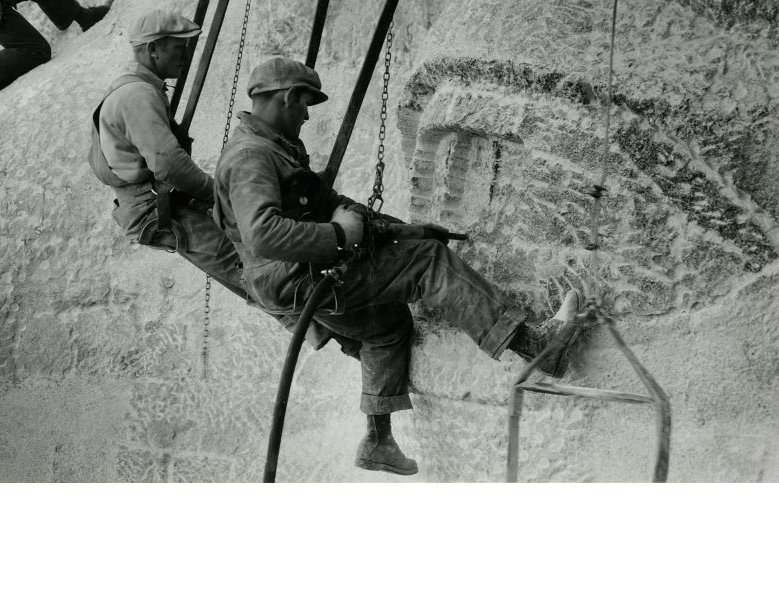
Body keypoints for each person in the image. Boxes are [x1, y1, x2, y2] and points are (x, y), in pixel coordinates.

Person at [213, 56, 581, 477]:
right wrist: (340, 238)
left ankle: (378, 440)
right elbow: (264, 234)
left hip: (294, 278)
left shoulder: (272, 148)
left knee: (386, 326)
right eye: (304, 105)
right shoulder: (251, 156)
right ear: (288, 96)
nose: (306, 114)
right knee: (427, 264)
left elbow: (333, 205)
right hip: (298, 277)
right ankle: (535, 345)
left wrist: (407, 232)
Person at [91, 9, 355, 353]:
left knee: (249, 257)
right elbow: (168, 164)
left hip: (159, 199)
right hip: (155, 207)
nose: (185, 56)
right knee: (246, 264)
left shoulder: (133, 88)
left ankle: (323, 328)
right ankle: (329, 330)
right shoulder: (137, 96)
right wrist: (218, 194)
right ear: (153, 49)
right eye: (178, 48)